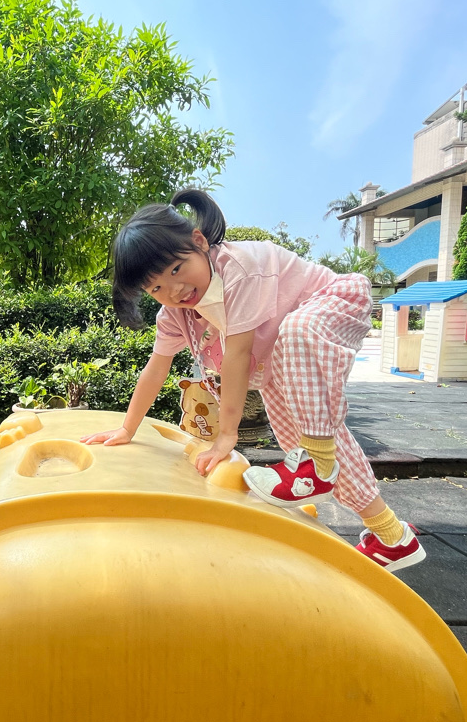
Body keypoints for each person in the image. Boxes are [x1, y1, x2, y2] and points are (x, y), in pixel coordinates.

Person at [81, 189, 425, 573]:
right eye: (157, 288)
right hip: (280, 361)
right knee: (311, 439)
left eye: (177, 270)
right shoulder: (176, 315)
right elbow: (156, 368)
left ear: (199, 242)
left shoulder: (239, 269)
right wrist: (127, 428)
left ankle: (317, 463)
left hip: (329, 305)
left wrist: (226, 435)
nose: (174, 290)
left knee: (300, 346)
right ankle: (392, 536)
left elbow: (238, 355)